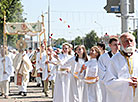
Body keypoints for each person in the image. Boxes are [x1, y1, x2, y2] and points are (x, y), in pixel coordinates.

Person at [105, 32, 138, 102]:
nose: (129, 43)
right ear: (120, 44)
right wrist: (126, 83)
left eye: (131, 40)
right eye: (126, 41)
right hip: (122, 98)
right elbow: (109, 82)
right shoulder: (114, 60)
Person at [98, 37, 119, 102]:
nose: (117, 47)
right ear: (110, 45)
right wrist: (111, 81)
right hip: (107, 85)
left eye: (118, 44)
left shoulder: (122, 56)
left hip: (120, 84)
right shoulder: (103, 57)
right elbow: (101, 73)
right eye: (115, 45)